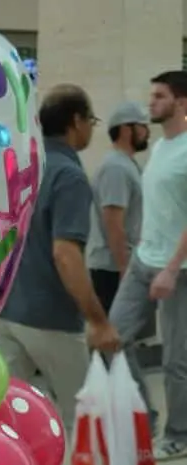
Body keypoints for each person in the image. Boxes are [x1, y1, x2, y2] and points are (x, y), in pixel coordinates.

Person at [0, 83, 154, 465]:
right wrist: (97, 319)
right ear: (77, 121)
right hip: (50, 316)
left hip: (8, 312)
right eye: (91, 122)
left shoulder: (22, 166)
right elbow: (67, 254)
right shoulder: (68, 175)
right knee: (82, 412)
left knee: (9, 417)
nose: (91, 131)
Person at [109, 71, 187, 462]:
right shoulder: (159, 149)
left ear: (182, 103)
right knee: (110, 339)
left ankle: (179, 435)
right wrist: (141, 250)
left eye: (159, 96)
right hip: (144, 260)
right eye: (151, 94)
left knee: (176, 360)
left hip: (180, 269)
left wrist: (172, 268)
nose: (151, 103)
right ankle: (147, 417)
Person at [87, 102, 150, 310]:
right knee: (115, 335)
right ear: (126, 129)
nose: (147, 131)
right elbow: (113, 222)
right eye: (142, 125)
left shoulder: (126, 164)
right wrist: (125, 269)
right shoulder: (116, 168)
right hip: (113, 270)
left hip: (124, 267)